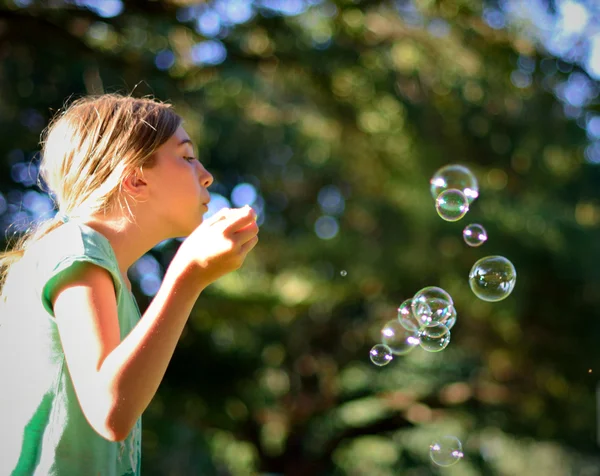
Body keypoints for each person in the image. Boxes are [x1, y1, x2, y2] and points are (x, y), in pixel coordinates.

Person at [0, 94, 259, 475]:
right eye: (187, 157)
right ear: (136, 178)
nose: (206, 174)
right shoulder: (76, 247)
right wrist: (186, 276)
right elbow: (109, 409)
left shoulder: (103, 270)